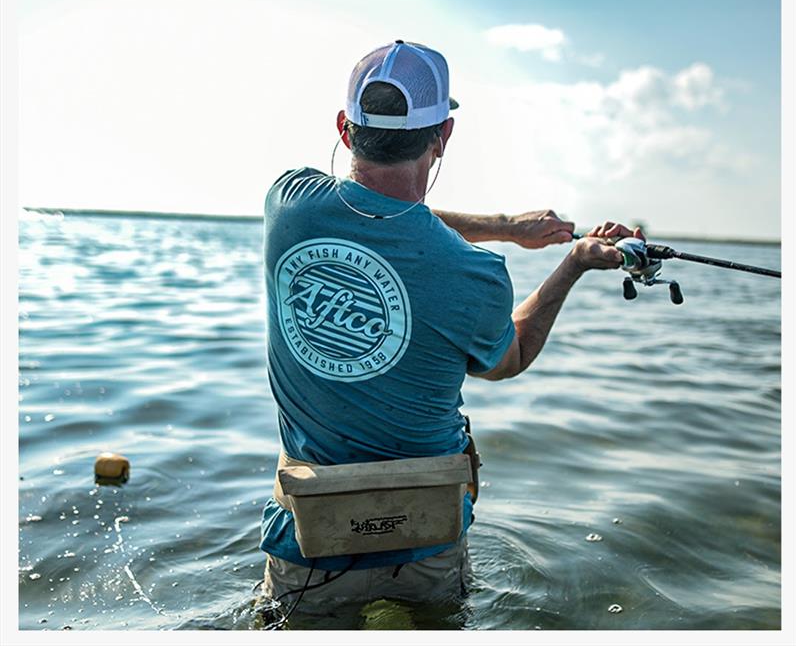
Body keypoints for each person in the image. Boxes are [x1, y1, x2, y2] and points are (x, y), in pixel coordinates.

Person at [258, 40, 643, 619]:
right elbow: (506, 360)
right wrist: (573, 263)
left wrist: (506, 227)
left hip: (310, 542)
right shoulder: (475, 273)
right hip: (426, 543)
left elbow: (372, 209)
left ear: (344, 128)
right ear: (443, 137)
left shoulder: (289, 203)